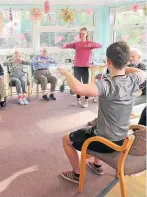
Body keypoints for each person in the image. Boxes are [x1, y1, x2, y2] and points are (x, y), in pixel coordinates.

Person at [57, 41, 146, 184]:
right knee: (96, 126)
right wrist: (123, 67)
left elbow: (78, 88)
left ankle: (77, 174)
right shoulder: (133, 80)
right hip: (123, 138)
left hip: (105, 143)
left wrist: (65, 72)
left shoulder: (107, 85)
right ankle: (97, 165)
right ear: (127, 60)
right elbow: (142, 72)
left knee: (66, 140)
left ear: (108, 61)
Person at [62, 27, 102, 108]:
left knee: (85, 84)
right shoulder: (76, 44)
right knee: (77, 85)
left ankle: (86, 101)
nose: (81, 35)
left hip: (84, 67)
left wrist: (91, 44)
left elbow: (99, 45)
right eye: (80, 34)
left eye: (83, 33)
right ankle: (78, 100)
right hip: (76, 67)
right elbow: (68, 45)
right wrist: (64, 45)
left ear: (86, 34)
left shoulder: (89, 43)